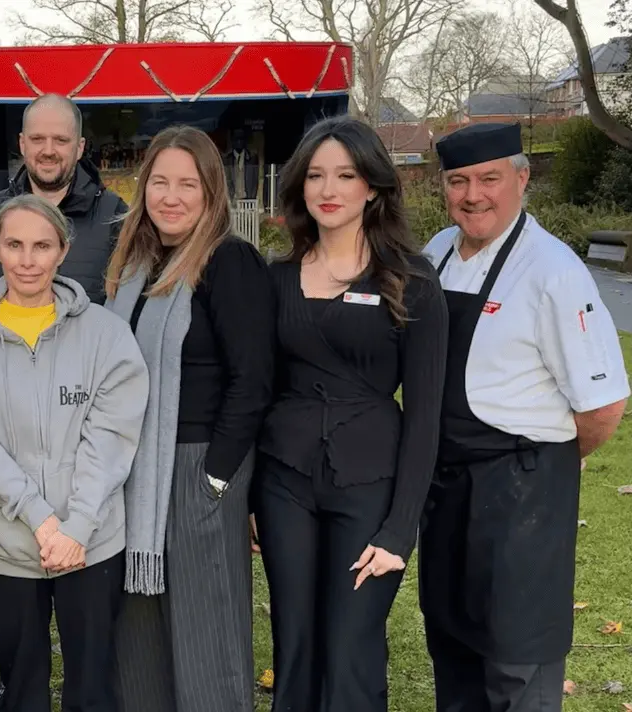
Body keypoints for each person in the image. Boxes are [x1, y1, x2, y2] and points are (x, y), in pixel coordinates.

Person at [419, 122, 629, 712]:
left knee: (517, 658)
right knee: (453, 644)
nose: (473, 196)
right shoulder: (436, 252)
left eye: (489, 179)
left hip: (522, 495)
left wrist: (547, 461)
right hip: (446, 487)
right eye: (458, 181)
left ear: (522, 178)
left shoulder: (554, 271)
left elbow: (603, 405)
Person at [253, 116, 448, 711]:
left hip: (369, 487)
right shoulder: (275, 278)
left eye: (345, 174)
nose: (328, 189)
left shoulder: (411, 280)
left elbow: (425, 417)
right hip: (283, 484)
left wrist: (400, 531)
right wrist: (247, 500)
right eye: (315, 175)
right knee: (295, 645)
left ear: (373, 186)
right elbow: (257, 392)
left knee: (350, 652)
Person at [0, 193, 149, 712]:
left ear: (63, 250)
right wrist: (38, 516)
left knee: (92, 685)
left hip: (90, 541)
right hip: (4, 542)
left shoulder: (106, 334)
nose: (27, 260)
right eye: (14, 245)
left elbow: (111, 436)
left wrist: (76, 527)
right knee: (22, 683)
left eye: (42, 246)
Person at [105, 125, 273, 712]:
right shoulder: (135, 266)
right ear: (143, 186)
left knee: (207, 637)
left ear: (211, 192)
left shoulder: (230, 261)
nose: (170, 197)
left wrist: (216, 479)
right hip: (135, 469)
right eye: (160, 182)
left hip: (200, 465)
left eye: (188, 184)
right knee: (139, 637)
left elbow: (253, 381)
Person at [0, 93, 128, 305]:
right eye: (37, 139)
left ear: (79, 148)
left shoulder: (114, 215)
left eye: (61, 140)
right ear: (22, 144)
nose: (48, 151)